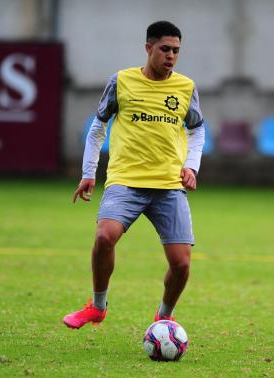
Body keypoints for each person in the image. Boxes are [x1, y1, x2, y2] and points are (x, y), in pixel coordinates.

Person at [63, 21, 205, 329]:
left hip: (168, 185)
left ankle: (164, 318)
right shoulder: (121, 81)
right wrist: (89, 173)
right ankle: (98, 307)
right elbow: (98, 127)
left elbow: (197, 130)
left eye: (176, 51)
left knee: (181, 264)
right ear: (148, 48)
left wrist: (191, 166)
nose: (171, 56)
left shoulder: (186, 87)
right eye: (165, 49)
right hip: (125, 181)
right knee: (104, 236)